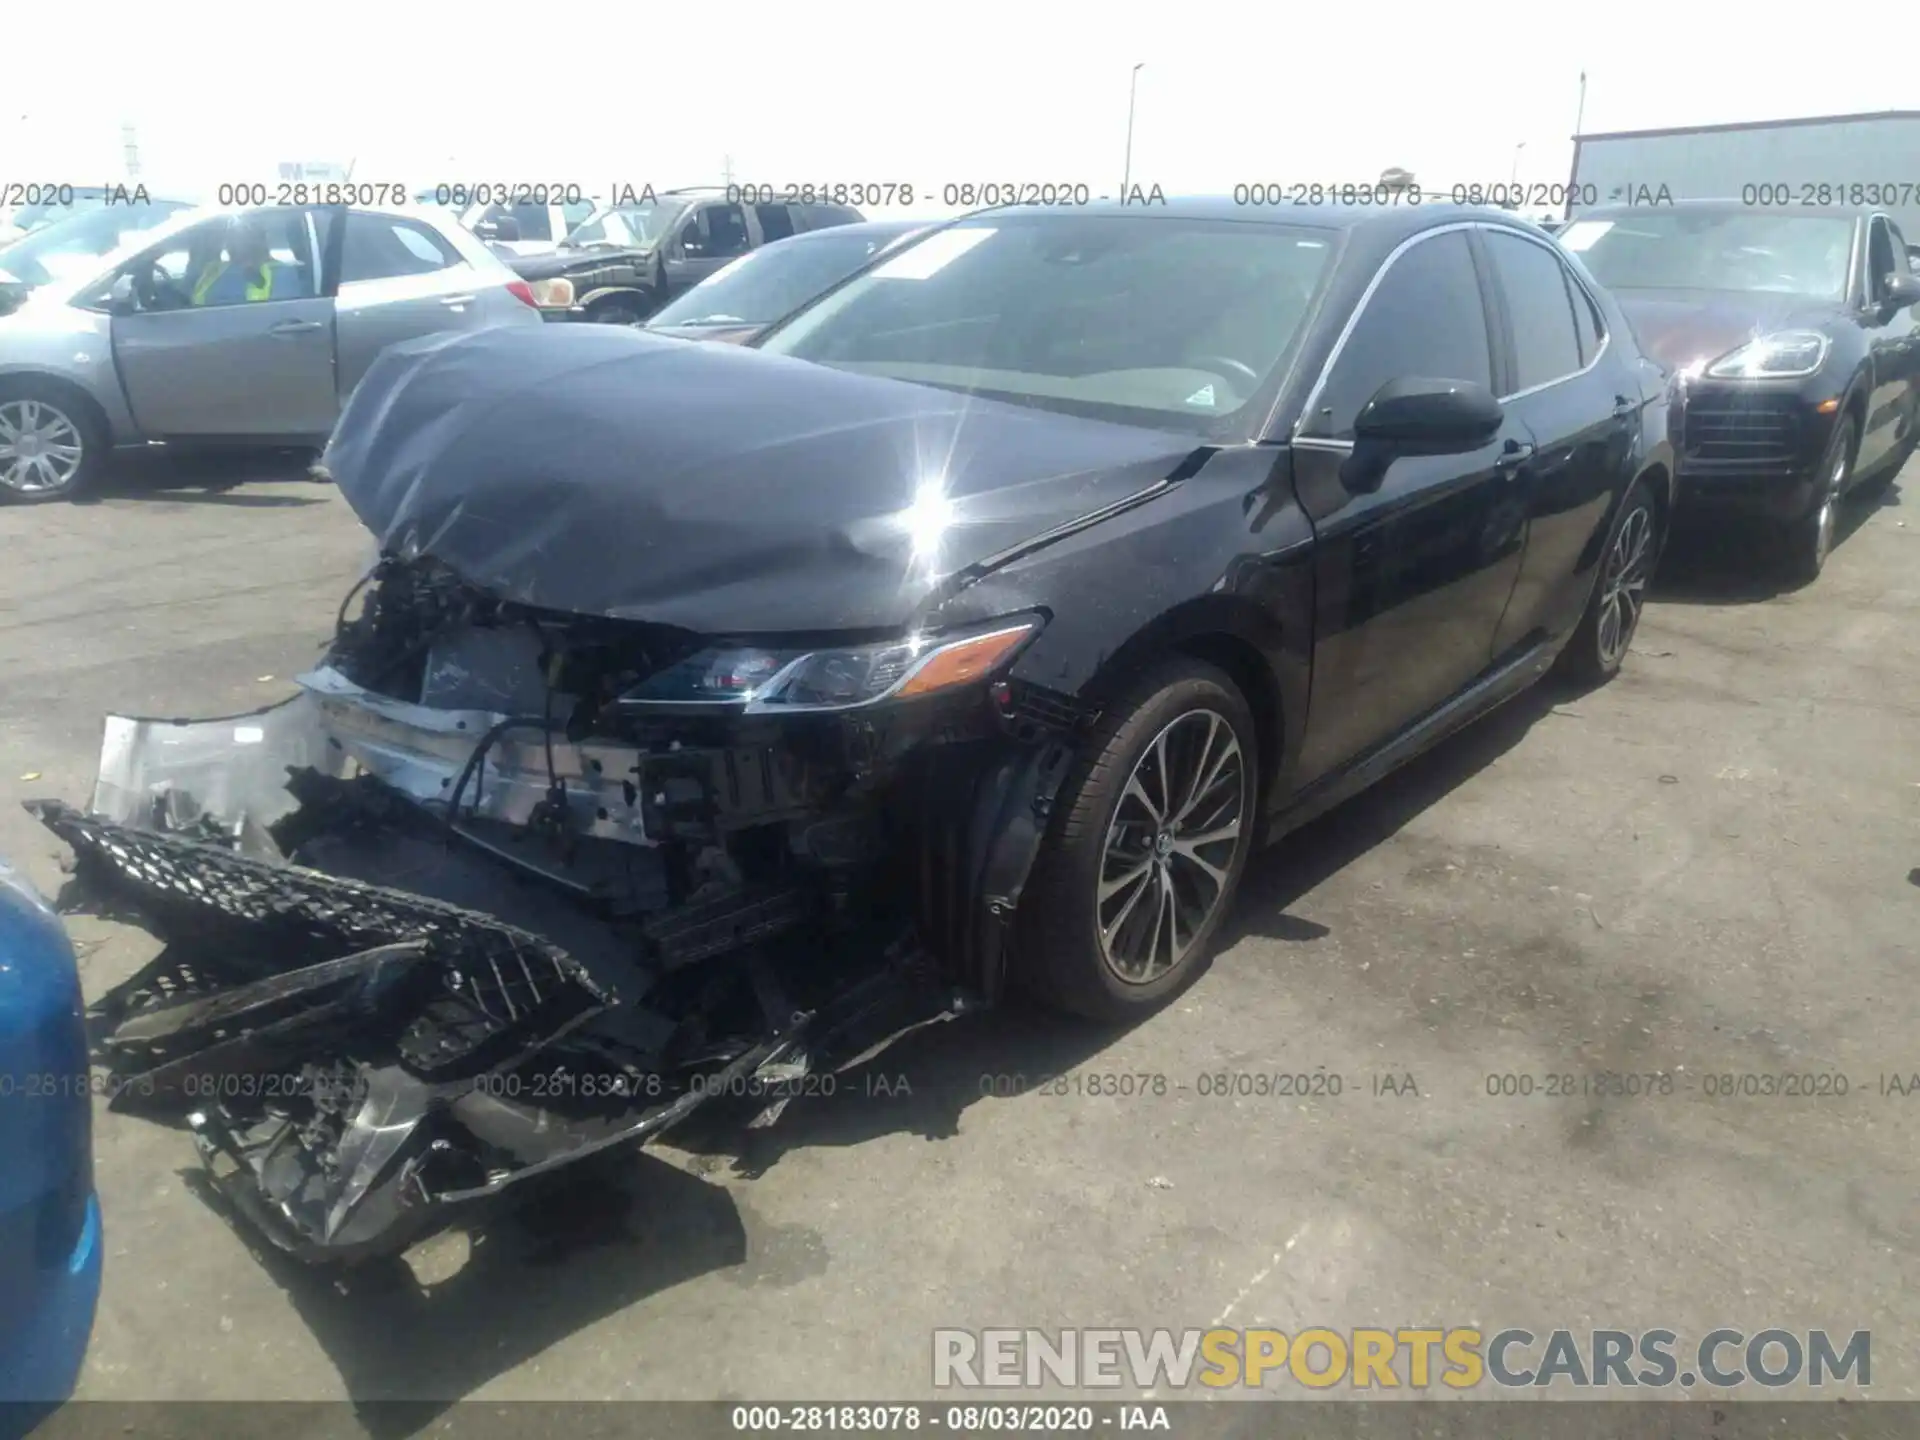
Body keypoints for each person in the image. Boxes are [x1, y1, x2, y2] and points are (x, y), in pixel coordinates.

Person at [192, 219, 285, 305]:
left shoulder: (283, 273)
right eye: (230, 237)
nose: (230, 244)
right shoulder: (213, 270)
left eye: (241, 237)